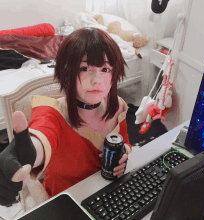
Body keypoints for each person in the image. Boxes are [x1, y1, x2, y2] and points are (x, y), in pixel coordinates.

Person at [0, 27, 132, 206]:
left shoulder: (117, 105)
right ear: (68, 72)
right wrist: (24, 154)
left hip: (108, 192)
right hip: (69, 201)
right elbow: (40, 137)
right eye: (85, 68)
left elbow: (124, 141)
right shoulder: (52, 112)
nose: (96, 79)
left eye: (105, 69)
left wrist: (122, 153)